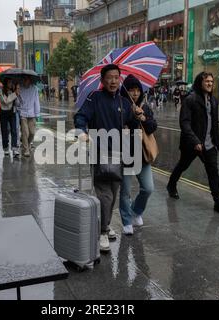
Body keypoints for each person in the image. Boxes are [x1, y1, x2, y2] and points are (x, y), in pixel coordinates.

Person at [74, 64, 140, 252]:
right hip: (99, 152)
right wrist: (81, 131)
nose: (113, 81)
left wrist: (137, 116)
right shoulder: (94, 97)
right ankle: (102, 232)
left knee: (113, 193)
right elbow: (81, 116)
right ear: (103, 80)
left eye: (116, 77)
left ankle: (106, 224)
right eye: (109, 77)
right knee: (105, 195)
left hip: (118, 154)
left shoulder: (124, 103)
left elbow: (133, 125)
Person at [166, 71, 219, 214]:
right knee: (183, 165)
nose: (210, 84)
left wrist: (216, 141)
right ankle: (171, 184)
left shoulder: (213, 101)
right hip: (192, 144)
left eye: (211, 81)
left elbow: (214, 123)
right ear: (199, 82)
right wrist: (195, 140)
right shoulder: (191, 99)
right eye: (207, 81)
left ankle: (218, 202)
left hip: (209, 144)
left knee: (213, 172)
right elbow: (184, 122)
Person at [119, 75, 157, 235]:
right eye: (131, 90)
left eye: (137, 90)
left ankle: (136, 211)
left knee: (148, 188)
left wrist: (142, 117)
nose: (135, 93)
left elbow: (153, 126)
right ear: (125, 91)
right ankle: (127, 220)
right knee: (125, 191)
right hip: (126, 154)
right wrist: (126, 124)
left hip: (142, 154)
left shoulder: (144, 106)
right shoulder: (120, 106)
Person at [18, 76, 40, 157]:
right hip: (23, 113)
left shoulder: (34, 89)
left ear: (30, 80)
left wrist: (37, 114)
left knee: (32, 133)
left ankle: (27, 143)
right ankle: (26, 149)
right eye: (24, 80)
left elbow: (36, 101)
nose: (26, 81)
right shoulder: (20, 88)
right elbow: (17, 100)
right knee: (25, 133)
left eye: (27, 80)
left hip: (32, 114)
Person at [0, 79, 21, 157]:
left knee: (14, 130)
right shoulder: (1, 91)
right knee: (5, 131)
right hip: (4, 113)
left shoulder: (13, 91)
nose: (11, 84)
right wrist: (15, 94)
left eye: (12, 82)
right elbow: (6, 101)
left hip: (12, 113)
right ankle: (6, 148)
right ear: (6, 83)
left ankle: (14, 149)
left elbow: (18, 104)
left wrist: (17, 94)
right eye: (9, 82)